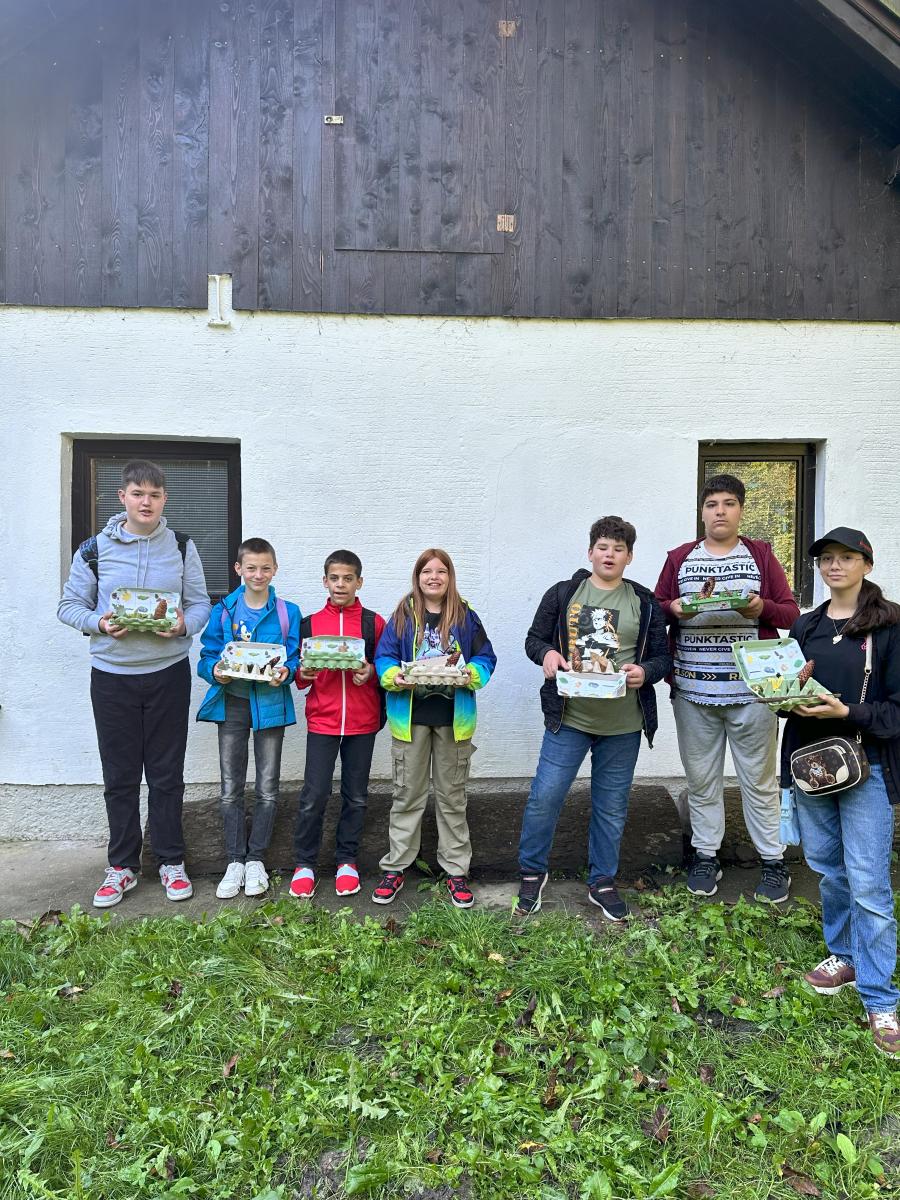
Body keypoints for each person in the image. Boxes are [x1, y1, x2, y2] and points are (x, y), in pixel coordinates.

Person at [58, 459, 211, 907]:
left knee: (167, 775)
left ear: (165, 499)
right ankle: (122, 866)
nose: (147, 502)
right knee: (120, 776)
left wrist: (183, 625)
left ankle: (170, 861)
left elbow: (200, 603)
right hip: (112, 677)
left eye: (155, 495)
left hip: (168, 674)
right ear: (122, 497)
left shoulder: (181, 546)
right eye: (138, 494)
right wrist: (99, 623)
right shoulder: (93, 550)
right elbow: (69, 606)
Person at [780, 528, 900, 1057]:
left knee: (869, 883)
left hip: (865, 766)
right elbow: (787, 697)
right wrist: (783, 696)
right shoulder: (805, 626)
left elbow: (896, 710)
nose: (834, 566)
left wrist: (846, 711)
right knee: (830, 869)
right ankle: (846, 955)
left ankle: (881, 998)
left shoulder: (890, 625)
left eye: (846, 558)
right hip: (811, 764)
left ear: (866, 565)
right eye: (826, 558)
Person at [516, 516, 672, 919]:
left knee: (611, 807)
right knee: (545, 797)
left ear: (629, 557)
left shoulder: (644, 602)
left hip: (623, 724)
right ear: (590, 552)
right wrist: (548, 654)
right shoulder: (564, 593)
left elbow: (662, 658)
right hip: (569, 718)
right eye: (603, 547)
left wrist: (645, 672)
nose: (610, 555)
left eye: (619, 549)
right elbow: (534, 640)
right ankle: (532, 873)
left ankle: (602, 881)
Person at [655, 473, 799, 902]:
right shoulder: (680, 558)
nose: (720, 511)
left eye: (729, 503)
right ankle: (706, 855)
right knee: (701, 780)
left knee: (760, 781)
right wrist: (673, 607)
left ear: (740, 510)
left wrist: (761, 607)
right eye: (712, 504)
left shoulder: (761, 555)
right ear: (702, 512)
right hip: (693, 691)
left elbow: (790, 613)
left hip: (753, 692)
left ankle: (773, 860)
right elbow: (655, 609)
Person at [373, 549, 496, 908]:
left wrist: (472, 674)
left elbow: (486, 657)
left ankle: (456, 871)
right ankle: (396, 866)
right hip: (410, 721)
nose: (434, 577)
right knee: (406, 796)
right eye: (427, 571)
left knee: (452, 798)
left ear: (449, 577)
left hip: (453, 721)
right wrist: (392, 675)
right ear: (418, 577)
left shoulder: (465, 615)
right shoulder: (403, 614)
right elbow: (384, 656)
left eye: (441, 571)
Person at [197, 538, 301, 899]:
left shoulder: (288, 612)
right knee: (230, 788)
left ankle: (256, 859)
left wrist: (285, 673)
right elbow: (208, 655)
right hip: (232, 704)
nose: (259, 574)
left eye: (265, 568)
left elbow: (294, 658)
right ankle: (235, 860)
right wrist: (216, 672)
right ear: (238, 569)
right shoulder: (224, 610)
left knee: (268, 788)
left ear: (275, 569)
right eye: (251, 568)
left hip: (270, 704)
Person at [289, 550, 386, 899]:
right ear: (325, 581)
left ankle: (347, 861)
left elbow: (386, 666)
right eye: (334, 578)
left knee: (356, 796)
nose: (340, 584)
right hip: (323, 720)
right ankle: (304, 864)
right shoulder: (309, 624)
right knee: (313, 795)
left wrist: (371, 672)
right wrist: (304, 672)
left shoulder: (374, 623)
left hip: (362, 721)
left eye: (347, 578)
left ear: (359, 582)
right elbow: (298, 674)